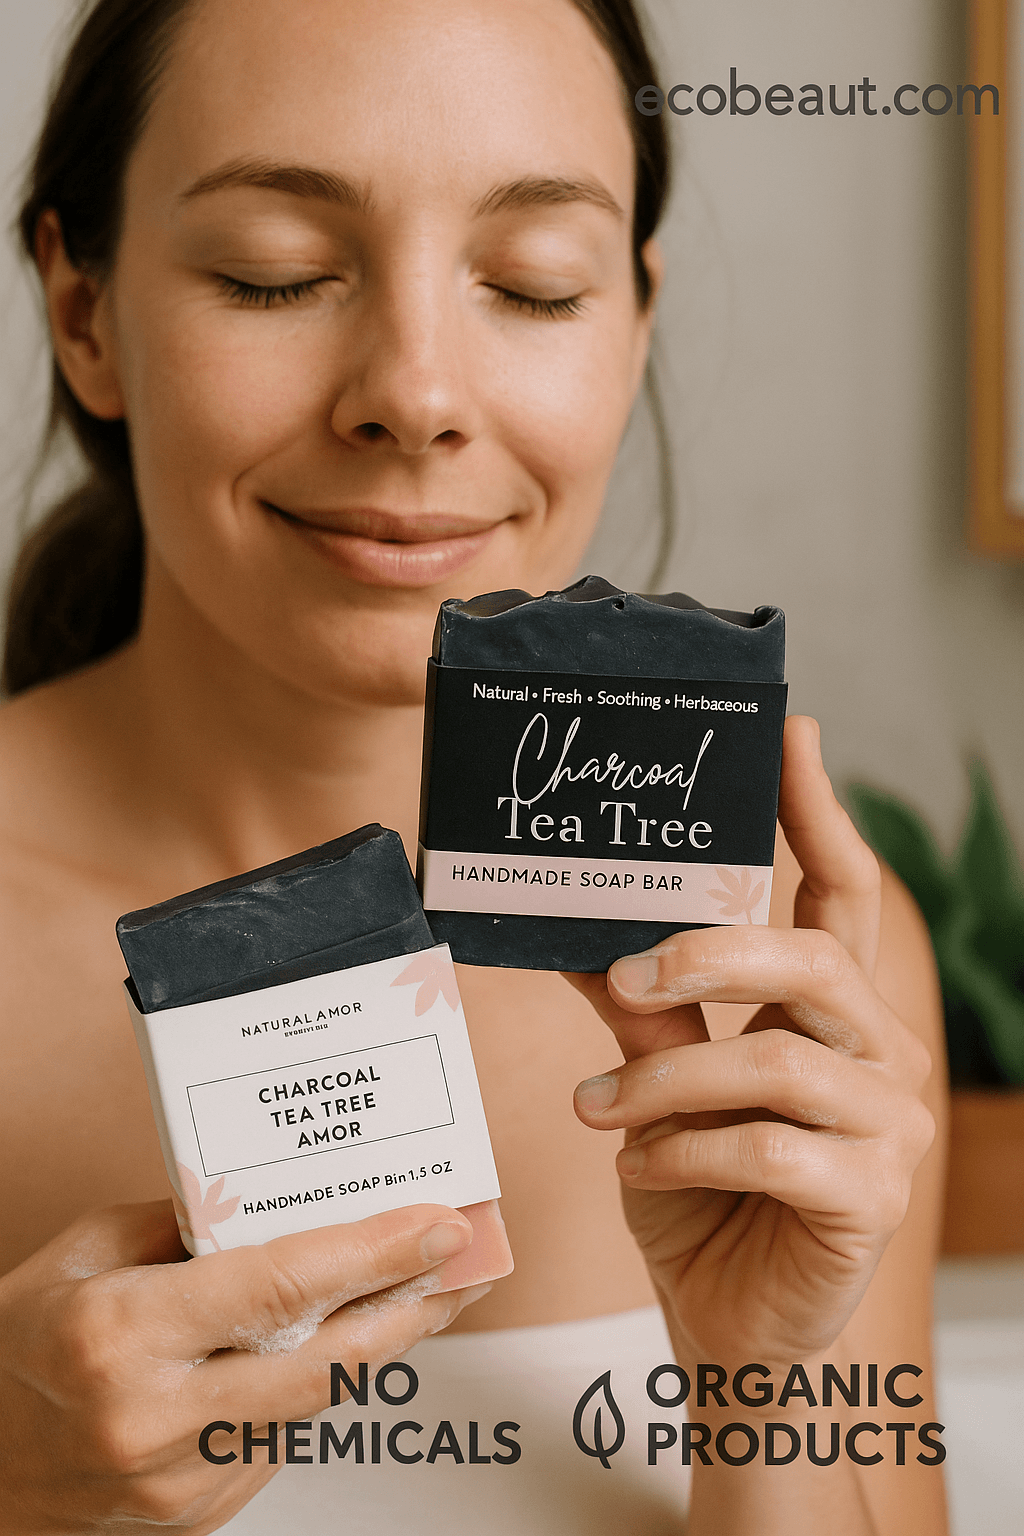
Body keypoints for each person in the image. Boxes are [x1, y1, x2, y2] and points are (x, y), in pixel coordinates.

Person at [0, 0, 948, 1531]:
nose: (419, 394)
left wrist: (763, 1389)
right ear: (83, 309)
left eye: (532, 285)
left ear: (633, 323)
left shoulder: (797, 980)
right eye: (276, 272)